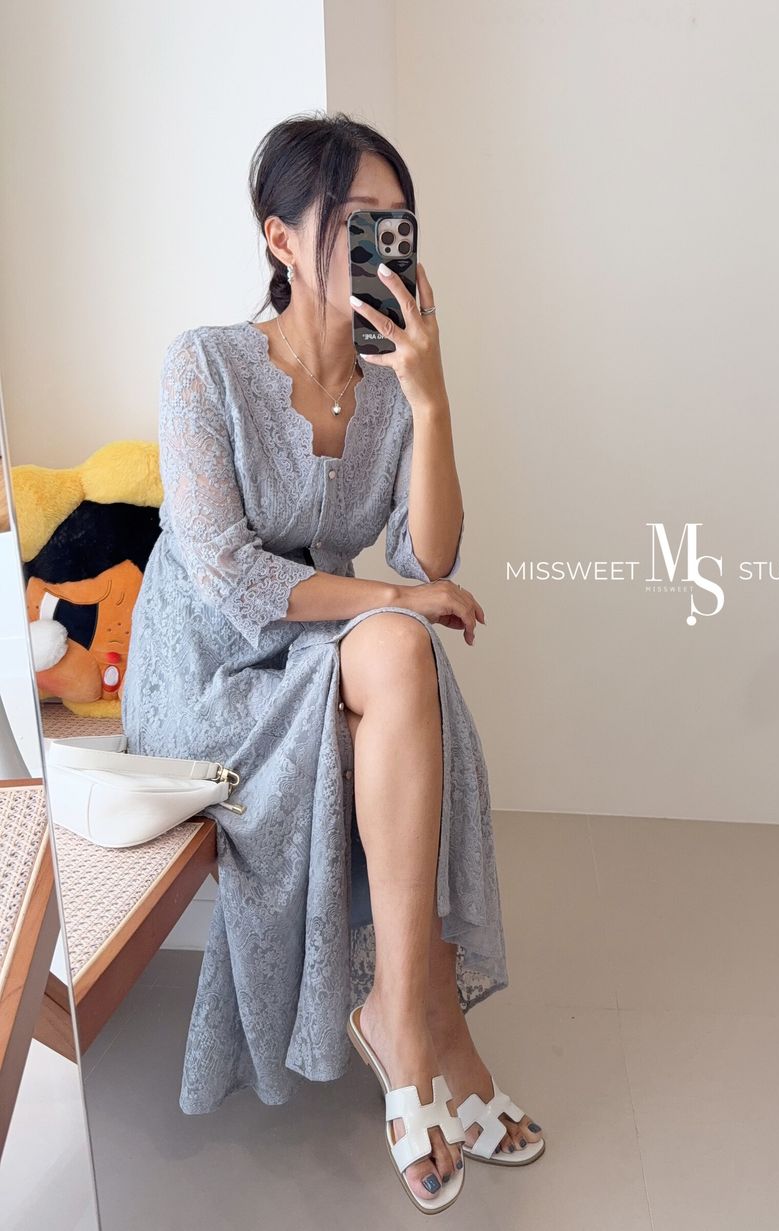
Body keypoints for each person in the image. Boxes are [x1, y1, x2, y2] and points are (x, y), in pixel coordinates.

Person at [120, 111, 543, 1209]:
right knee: (401, 642)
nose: (382, 243)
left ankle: (404, 1022)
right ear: (281, 238)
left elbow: (430, 558)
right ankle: (431, 1032)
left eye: (397, 223)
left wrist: (431, 397)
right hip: (209, 670)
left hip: (329, 639)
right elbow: (227, 575)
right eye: (356, 220)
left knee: (403, 650)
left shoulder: (390, 382)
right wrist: (397, 600)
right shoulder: (204, 365)